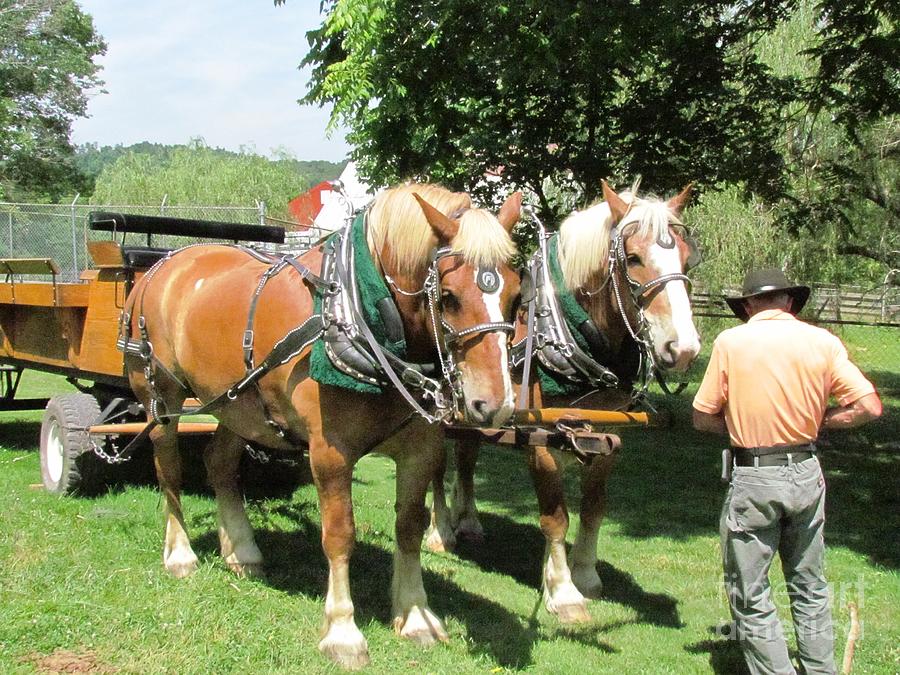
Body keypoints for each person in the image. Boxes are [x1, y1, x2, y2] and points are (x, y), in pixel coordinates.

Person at [692, 268, 882, 675]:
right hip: (806, 470)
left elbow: (702, 417)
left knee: (750, 590)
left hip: (755, 473)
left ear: (746, 305)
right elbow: (870, 407)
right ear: (791, 302)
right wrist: (820, 420)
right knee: (809, 584)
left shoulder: (731, 342)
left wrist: (741, 423)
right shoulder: (823, 342)